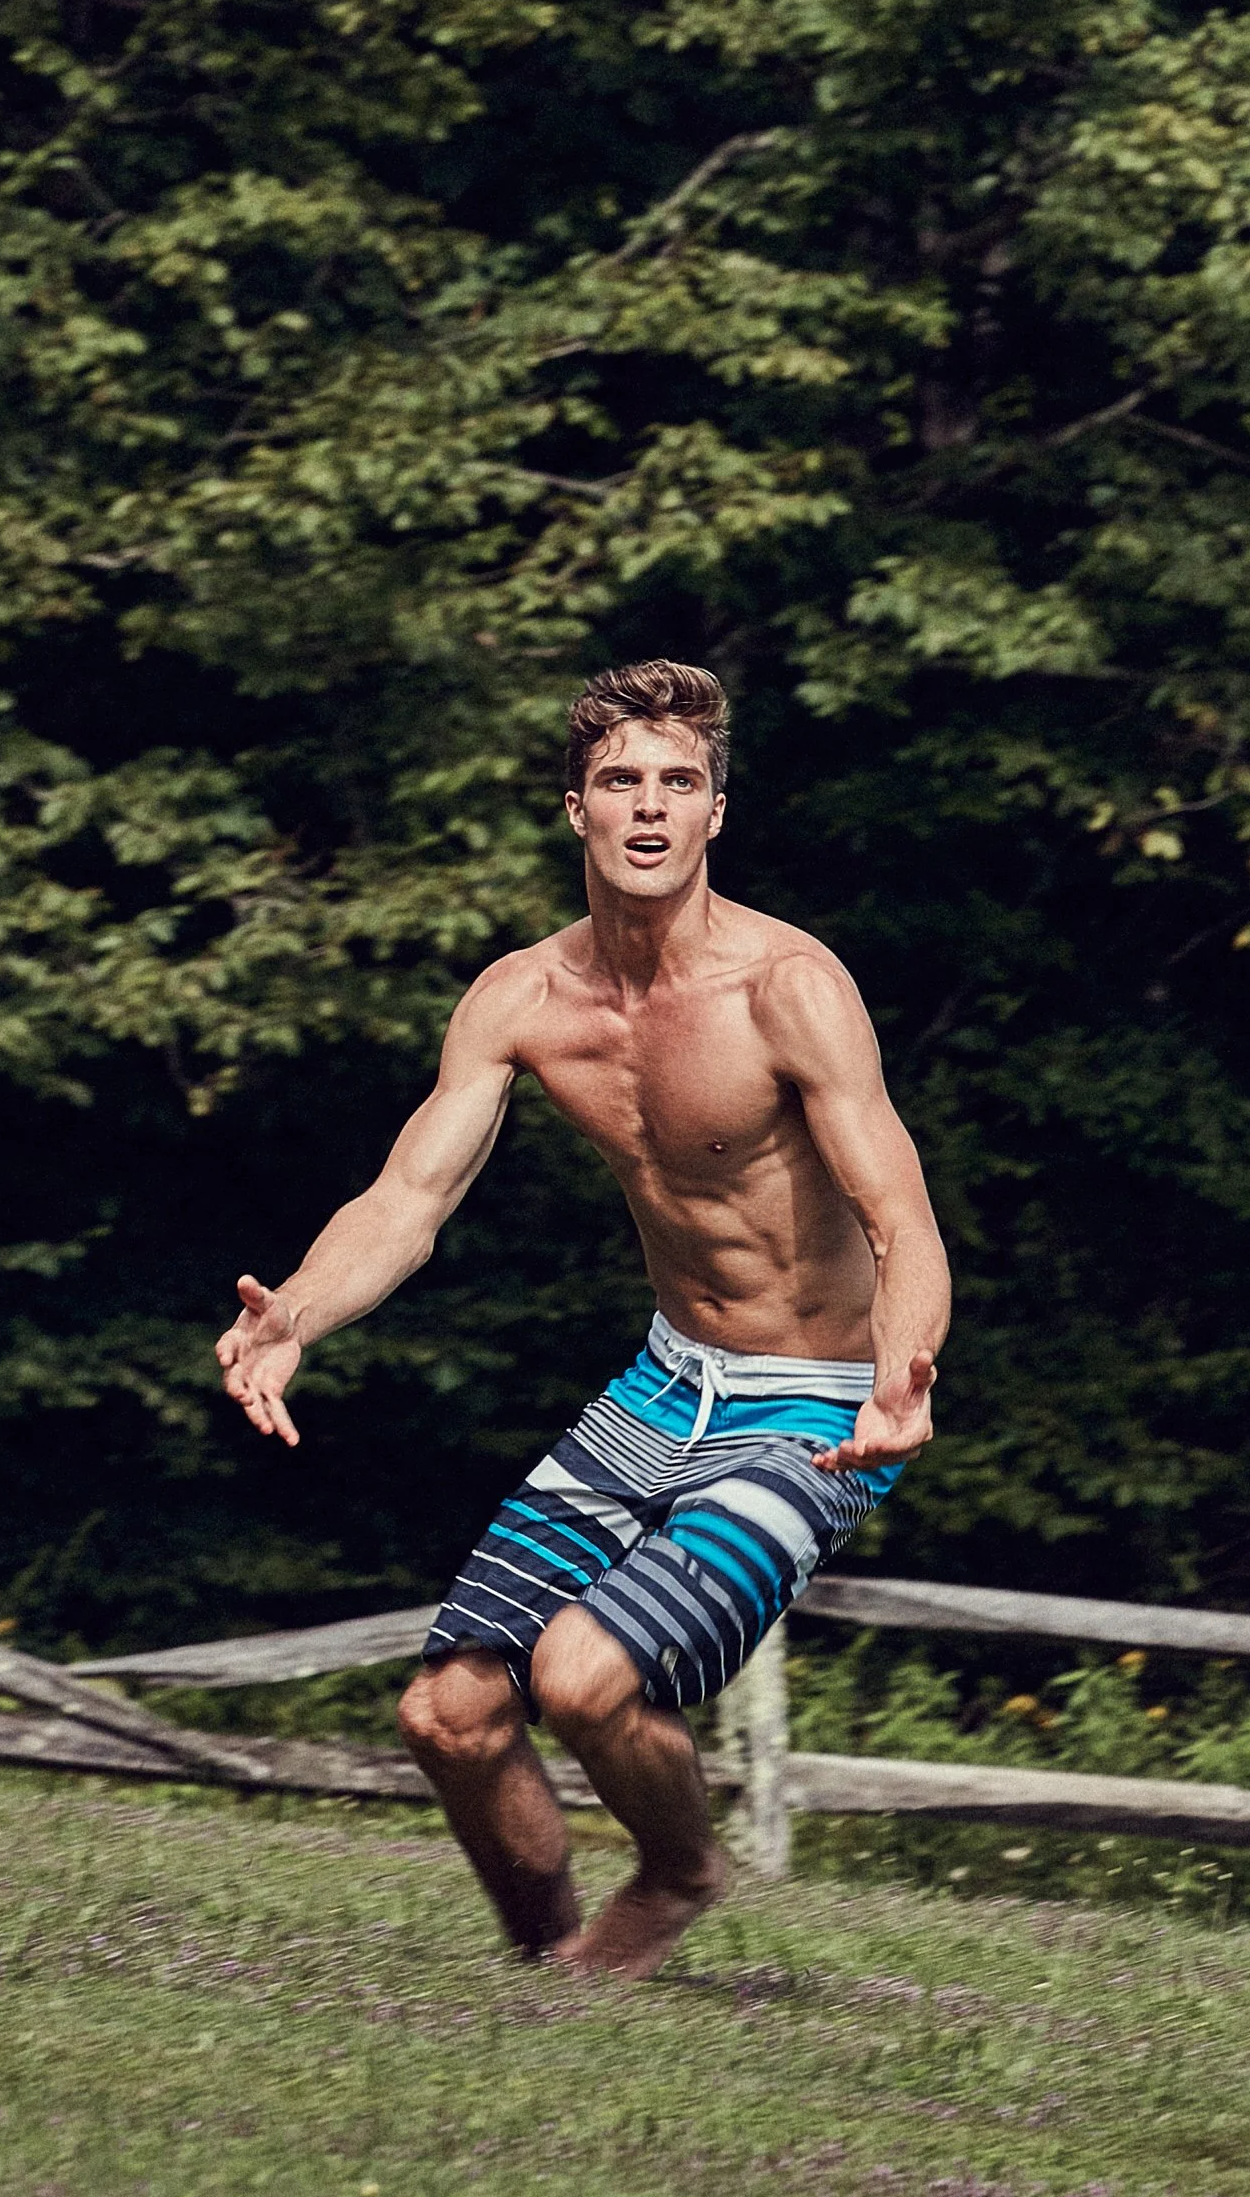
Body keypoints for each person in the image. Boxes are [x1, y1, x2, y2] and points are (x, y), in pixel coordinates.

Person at [212, 657, 951, 1980]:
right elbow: (406, 1200)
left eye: (681, 784)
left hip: (818, 1406)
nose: (652, 809)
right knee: (445, 1713)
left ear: (718, 812)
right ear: (578, 811)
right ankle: (553, 1981)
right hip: (664, 1386)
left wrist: (901, 1377)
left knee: (584, 1675)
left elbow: (901, 1220)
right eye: (624, 783)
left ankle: (677, 1876)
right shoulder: (524, 1000)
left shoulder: (790, 987)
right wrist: (297, 1319)